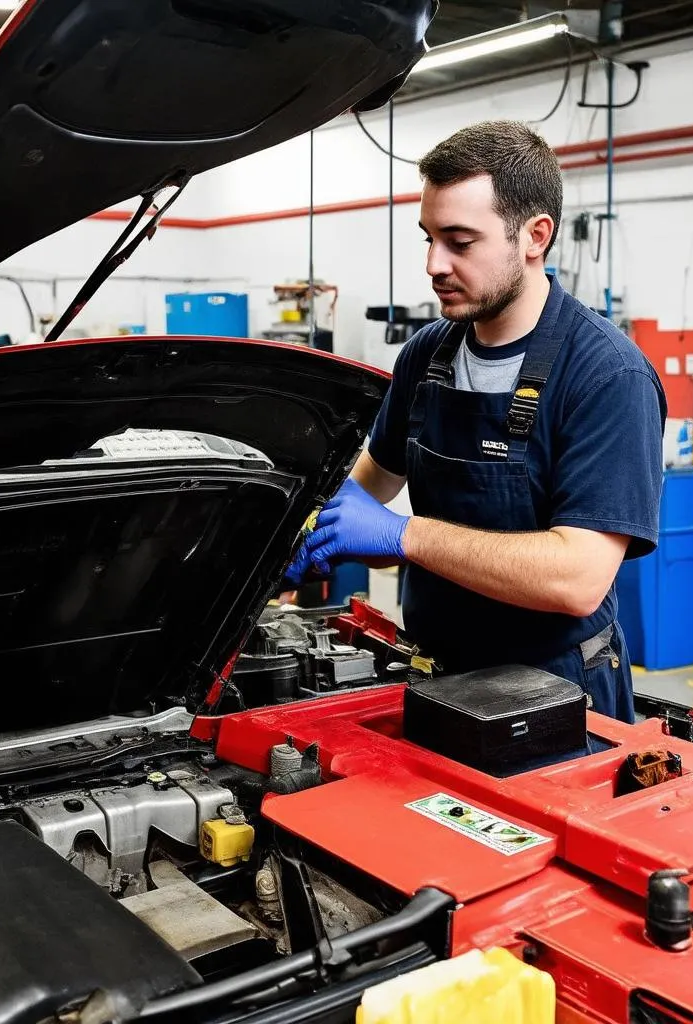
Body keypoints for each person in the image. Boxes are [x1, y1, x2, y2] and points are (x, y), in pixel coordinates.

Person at [286, 120, 667, 722]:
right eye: (428, 238)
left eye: (460, 241)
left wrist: (402, 535)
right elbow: (366, 488)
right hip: (437, 672)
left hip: (559, 696)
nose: (434, 264)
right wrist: (305, 530)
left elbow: (577, 577)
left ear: (534, 236)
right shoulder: (426, 356)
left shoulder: (605, 377)